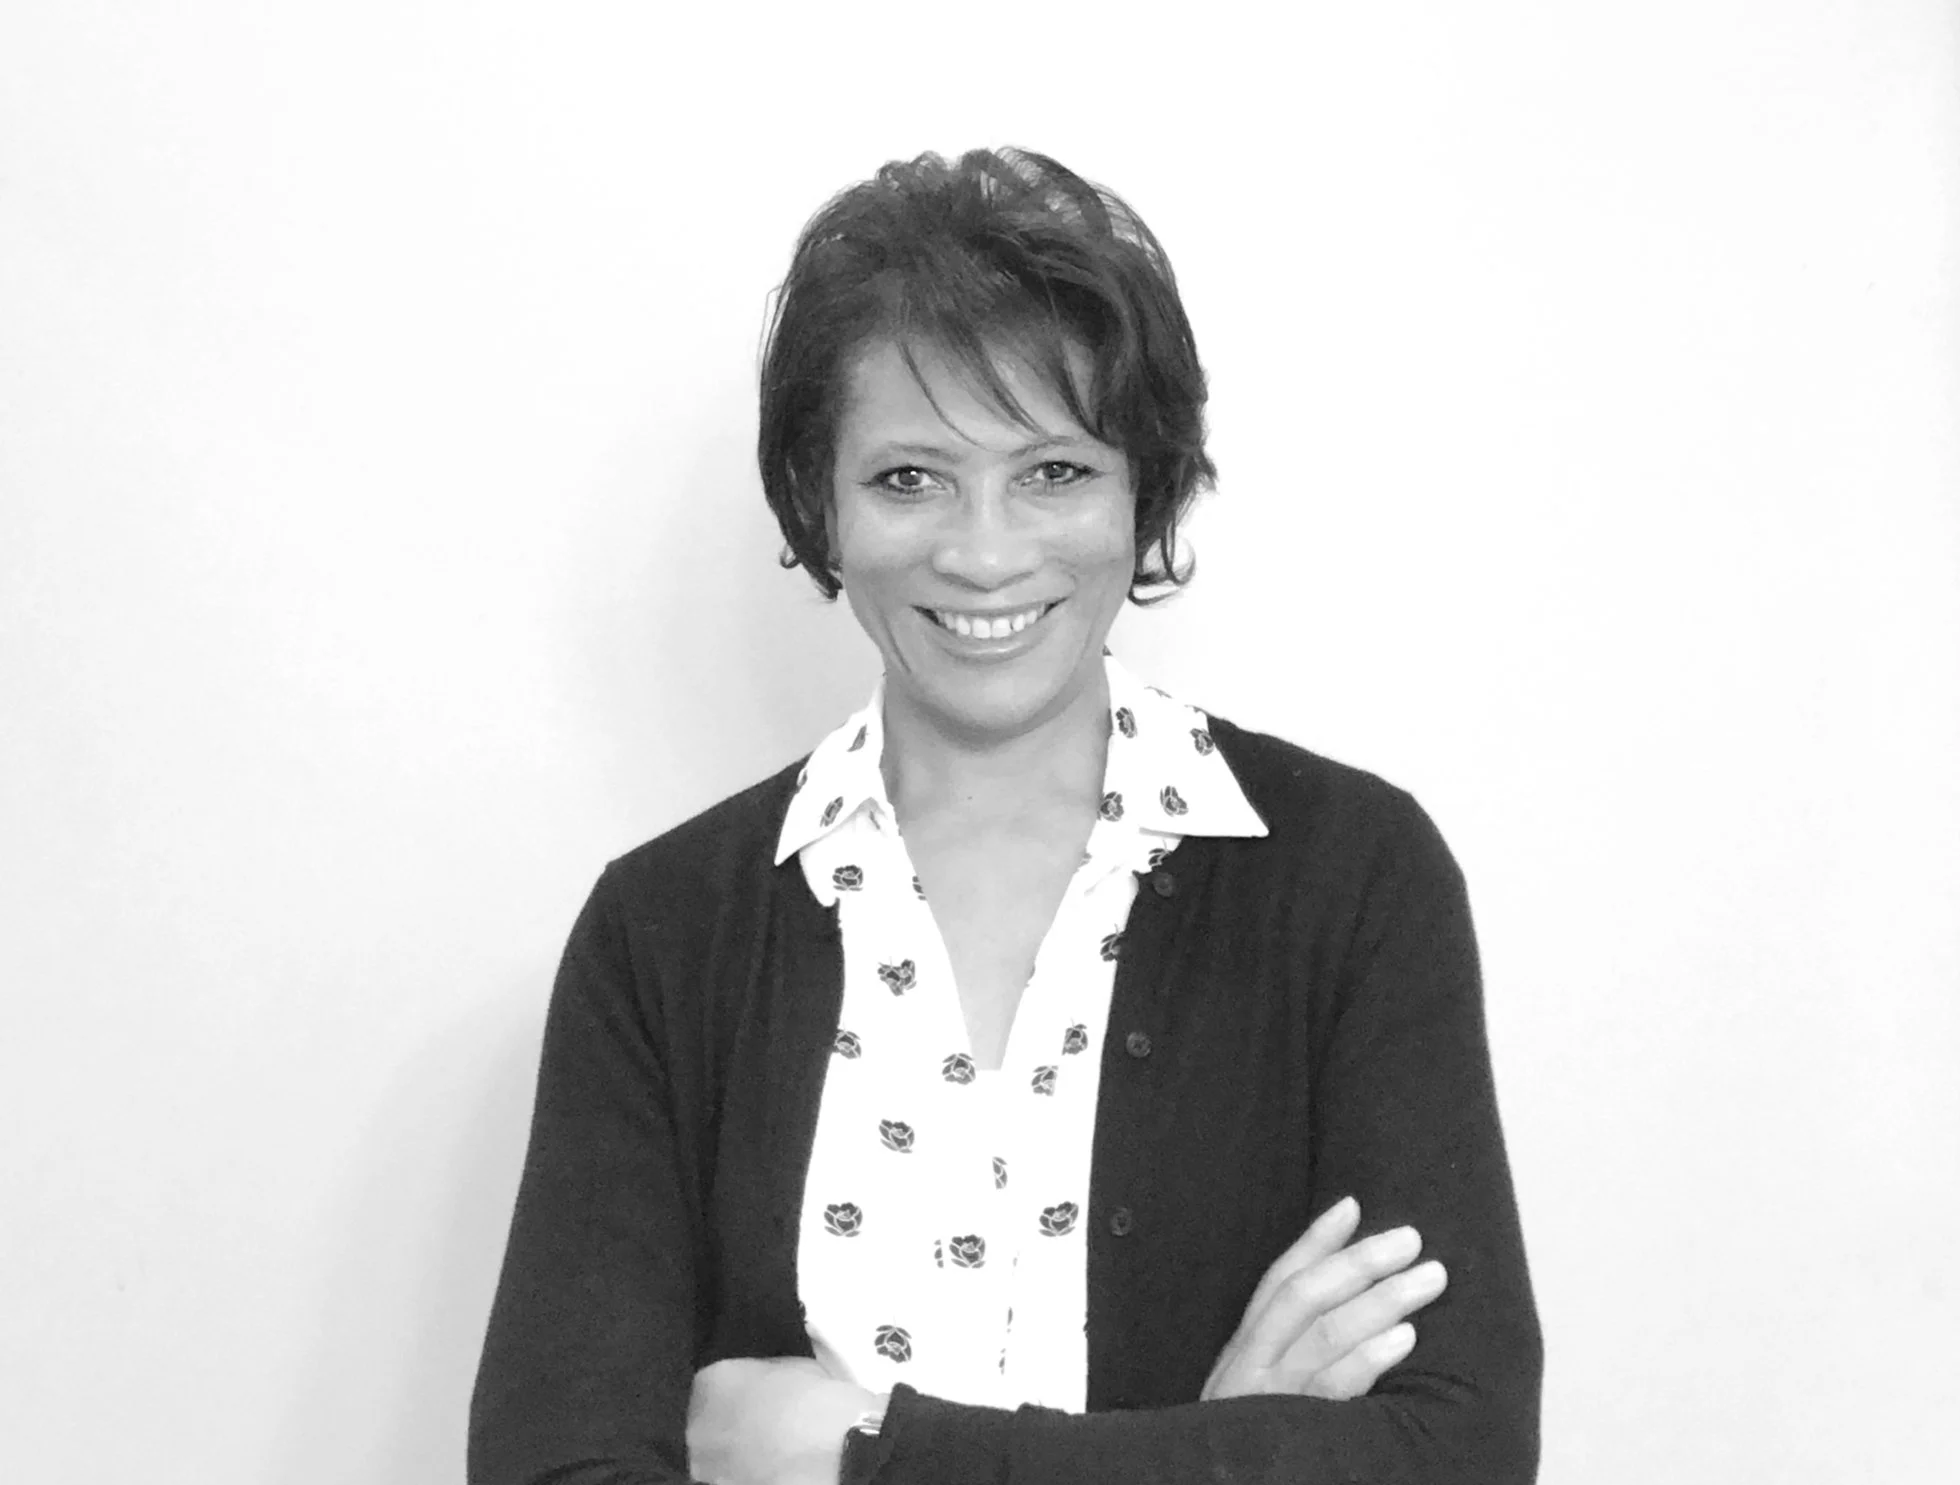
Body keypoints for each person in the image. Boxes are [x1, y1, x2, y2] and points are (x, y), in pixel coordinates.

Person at [467, 147, 1542, 1485]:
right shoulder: (665, 934)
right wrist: (1213, 1451)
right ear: (820, 503)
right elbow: (555, 1468)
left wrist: (860, 1453)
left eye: (1052, 472)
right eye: (909, 477)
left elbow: (1455, 1452)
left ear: (1146, 490)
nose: (983, 552)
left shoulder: (1351, 880)